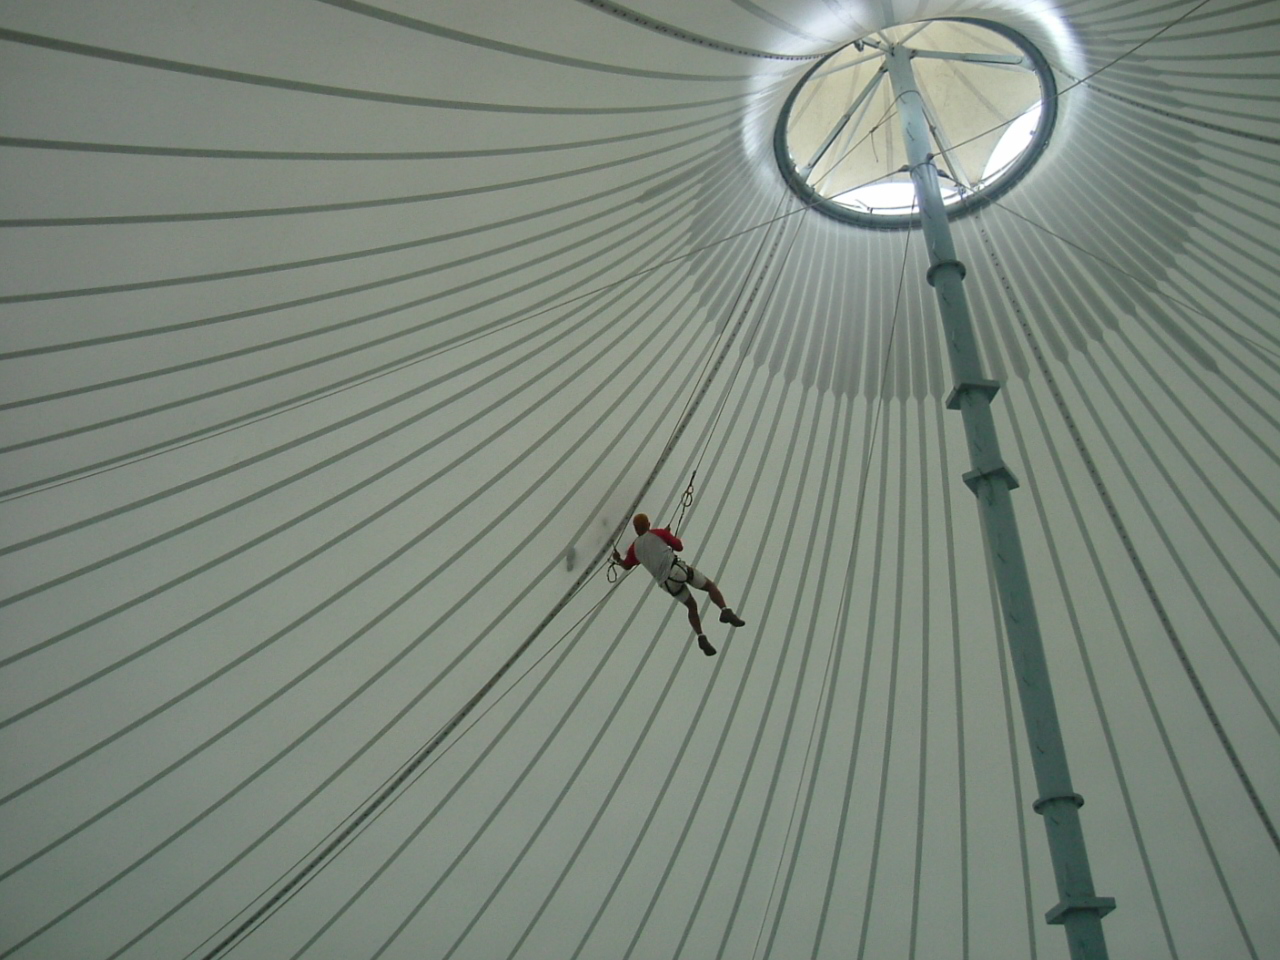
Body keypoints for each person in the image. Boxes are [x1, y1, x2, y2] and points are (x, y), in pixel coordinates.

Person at [611, 513, 745, 656]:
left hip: (667, 584)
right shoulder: (658, 533)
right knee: (710, 586)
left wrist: (618, 559)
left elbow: (627, 565)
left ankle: (701, 636)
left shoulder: (634, 549)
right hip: (677, 570)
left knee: (691, 606)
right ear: (648, 524)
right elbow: (679, 546)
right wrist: (668, 537)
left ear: (636, 528)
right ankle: (725, 610)